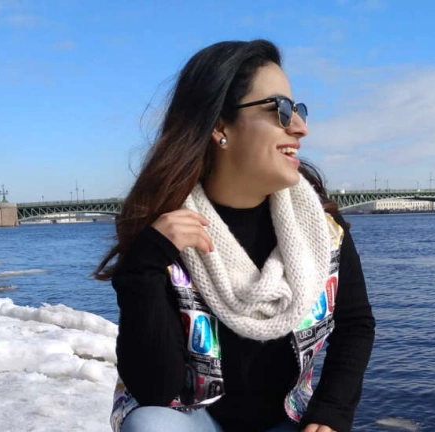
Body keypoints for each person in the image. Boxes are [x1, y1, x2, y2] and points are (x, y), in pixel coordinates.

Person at [94, 39, 375, 432]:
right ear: (219, 126)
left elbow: (355, 325)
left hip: (288, 420)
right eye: (281, 109)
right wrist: (143, 267)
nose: (300, 127)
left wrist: (331, 413)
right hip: (192, 416)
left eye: (298, 110)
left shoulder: (322, 229)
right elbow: (156, 390)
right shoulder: (165, 233)